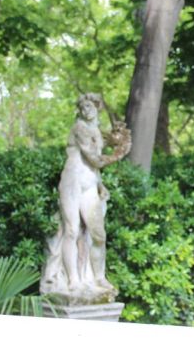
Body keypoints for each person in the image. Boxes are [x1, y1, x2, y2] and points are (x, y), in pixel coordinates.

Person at [41, 93, 130, 299]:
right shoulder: (79, 128)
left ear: (97, 107)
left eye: (89, 106)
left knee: (98, 235)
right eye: (83, 107)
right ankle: (73, 280)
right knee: (71, 230)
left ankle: (98, 277)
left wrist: (99, 184)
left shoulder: (96, 130)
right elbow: (93, 159)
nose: (86, 110)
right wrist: (118, 154)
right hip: (72, 182)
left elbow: (93, 168)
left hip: (89, 185)